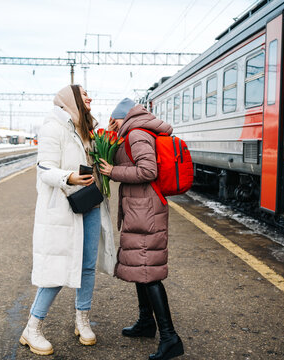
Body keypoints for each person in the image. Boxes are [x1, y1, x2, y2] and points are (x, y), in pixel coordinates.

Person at [20, 85, 115, 356]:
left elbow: (96, 159)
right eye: (84, 94)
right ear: (70, 99)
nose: (90, 98)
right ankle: (32, 328)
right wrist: (69, 177)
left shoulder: (86, 129)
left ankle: (82, 320)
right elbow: (44, 169)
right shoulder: (53, 127)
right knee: (57, 269)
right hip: (64, 207)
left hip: (90, 203)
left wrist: (106, 143)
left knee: (86, 266)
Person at [99, 98, 184, 360]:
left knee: (149, 271)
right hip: (141, 208)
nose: (113, 124)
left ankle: (171, 338)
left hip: (145, 210)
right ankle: (146, 323)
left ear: (122, 117)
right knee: (141, 268)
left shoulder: (136, 133)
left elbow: (148, 171)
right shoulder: (135, 131)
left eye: (114, 120)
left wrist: (113, 171)